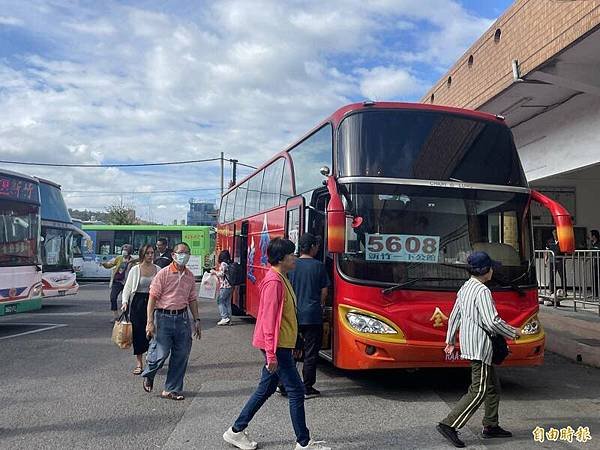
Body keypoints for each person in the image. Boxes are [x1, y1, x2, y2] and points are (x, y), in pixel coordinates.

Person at [223, 238, 331, 450]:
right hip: (277, 347)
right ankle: (303, 443)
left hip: (281, 345)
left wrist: (295, 340)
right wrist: (272, 355)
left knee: (266, 389)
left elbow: (288, 316)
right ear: (281, 258)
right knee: (297, 391)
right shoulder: (274, 282)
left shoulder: (282, 278)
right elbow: (269, 321)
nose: (295, 258)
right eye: (292, 255)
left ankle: (235, 430)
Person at [436, 251, 522, 448]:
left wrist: (449, 340)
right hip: (480, 347)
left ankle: (491, 426)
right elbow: (492, 322)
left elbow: (455, 315)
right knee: (479, 389)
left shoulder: (465, 287)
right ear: (486, 271)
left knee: (493, 387)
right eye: (491, 267)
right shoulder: (482, 291)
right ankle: (449, 424)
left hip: (470, 344)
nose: (493, 270)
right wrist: (512, 332)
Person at [141, 242, 201, 401]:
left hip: (182, 318)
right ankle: (150, 373)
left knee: (181, 354)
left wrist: (196, 320)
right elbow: (152, 298)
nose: (184, 255)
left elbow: (192, 299)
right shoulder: (164, 274)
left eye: (187, 252)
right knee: (161, 354)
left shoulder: (189, 276)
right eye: (181, 252)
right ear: (173, 255)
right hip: (163, 317)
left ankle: (171, 389)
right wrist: (149, 321)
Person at [287, 233, 330, 399]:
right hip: (312, 316)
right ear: (312, 247)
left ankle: (284, 384)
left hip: (294, 315)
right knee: (311, 352)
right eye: (317, 246)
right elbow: (324, 291)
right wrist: (321, 305)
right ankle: (307, 387)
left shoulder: (292, 265)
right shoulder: (319, 266)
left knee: (291, 350)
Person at [121, 244, 160, 375]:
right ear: (142, 255)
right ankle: (139, 363)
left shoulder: (158, 269)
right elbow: (127, 287)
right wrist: (125, 301)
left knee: (152, 331)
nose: (150, 255)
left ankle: (151, 359)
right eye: (147, 253)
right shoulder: (135, 269)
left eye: (152, 253)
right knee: (138, 332)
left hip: (153, 301)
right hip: (138, 302)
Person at [101, 244, 133, 322]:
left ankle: (125, 316)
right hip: (117, 281)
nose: (124, 251)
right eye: (123, 249)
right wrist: (104, 264)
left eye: (126, 250)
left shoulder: (132, 261)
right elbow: (111, 264)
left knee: (126, 300)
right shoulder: (119, 258)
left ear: (129, 251)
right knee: (113, 297)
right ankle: (115, 315)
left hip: (127, 282)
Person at [211, 249, 233, 326]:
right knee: (227, 302)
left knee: (220, 301)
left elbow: (221, 274)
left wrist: (214, 272)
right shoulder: (228, 263)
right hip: (230, 286)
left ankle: (224, 317)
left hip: (225, 286)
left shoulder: (223, 264)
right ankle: (229, 319)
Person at [545, 229, 564, 305]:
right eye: (554, 233)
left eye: (556, 233)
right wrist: (545, 260)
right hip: (552, 261)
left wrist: (564, 259)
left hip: (560, 261)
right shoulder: (549, 241)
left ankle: (563, 291)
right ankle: (551, 291)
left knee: (562, 276)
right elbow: (546, 251)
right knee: (552, 276)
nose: (555, 234)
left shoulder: (562, 240)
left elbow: (565, 251)